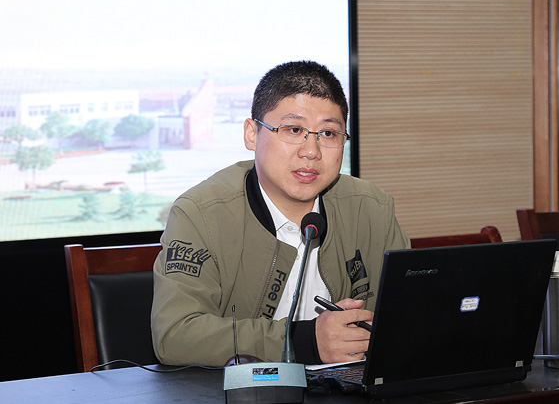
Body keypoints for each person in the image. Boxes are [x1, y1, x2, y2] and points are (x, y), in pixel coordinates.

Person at [151, 60, 410, 367]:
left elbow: (410, 314)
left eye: (328, 133)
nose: (311, 151)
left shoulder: (372, 209)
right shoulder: (200, 214)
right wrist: (302, 341)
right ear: (252, 134)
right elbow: (174, 335)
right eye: (294, 130)